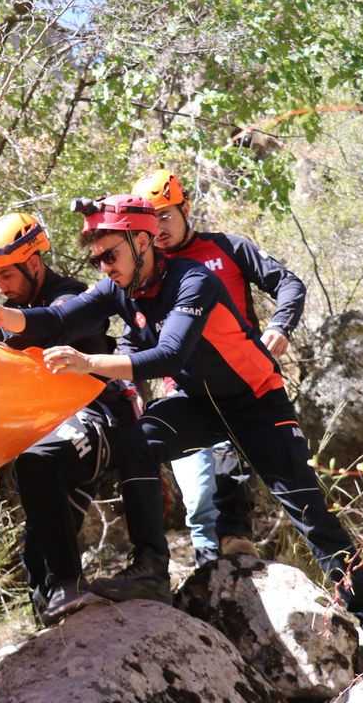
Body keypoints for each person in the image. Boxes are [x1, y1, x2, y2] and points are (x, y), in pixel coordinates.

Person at [0, 193, 363, 662]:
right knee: (136, 442)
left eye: (111, 255)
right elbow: (58, 317)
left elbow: (169, 356)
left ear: (141, 242)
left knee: (311, 514)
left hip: (257, 402)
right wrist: (6, 317)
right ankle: (150, 568)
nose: (104, 267)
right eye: (97, 259)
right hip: (199, 404)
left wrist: (89, 363)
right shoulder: (117, 287)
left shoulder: (194, 280)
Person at [133, 168, 308, 566]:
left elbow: (289, 283)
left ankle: (236, 548)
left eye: (165, 216)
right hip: (182, 391)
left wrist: (280, 326)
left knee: (232, 475)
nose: (159, 228)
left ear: (185, 209)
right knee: (197, 500)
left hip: (239, 384)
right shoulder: (147, 272)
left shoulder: (228, 247)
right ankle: (207, 571)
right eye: (150, 221)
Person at [0, 212, 122, 626]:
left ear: (34, 264)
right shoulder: (7, 311)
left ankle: (70, 584)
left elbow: (51, 327)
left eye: (7, 275)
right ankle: (54, 608)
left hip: (93, 416)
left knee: (36, 464)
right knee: (36, 562)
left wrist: (0, 324)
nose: (1, 286)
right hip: (48, 429)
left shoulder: (73, 297)